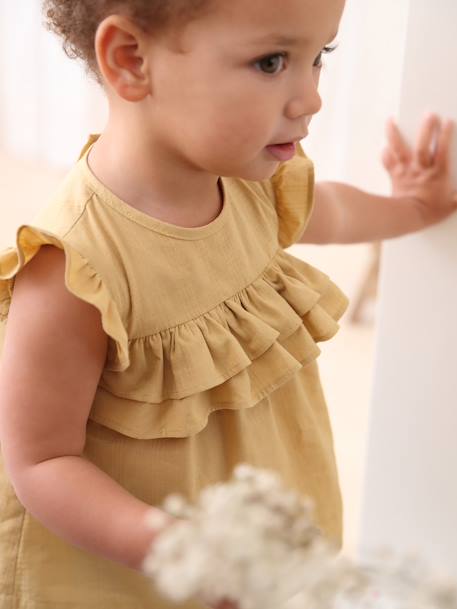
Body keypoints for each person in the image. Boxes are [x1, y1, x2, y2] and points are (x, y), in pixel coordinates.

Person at [0, 0, 455, 607]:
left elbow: (336, 210)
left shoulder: (250, 183)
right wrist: (184, 549)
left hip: (248, 535)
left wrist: (415, 208)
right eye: (272, 62)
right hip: (130, 574)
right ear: (131, 60)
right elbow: (42, 463)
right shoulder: (76, 269)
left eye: (319, 56)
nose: (311, 97)